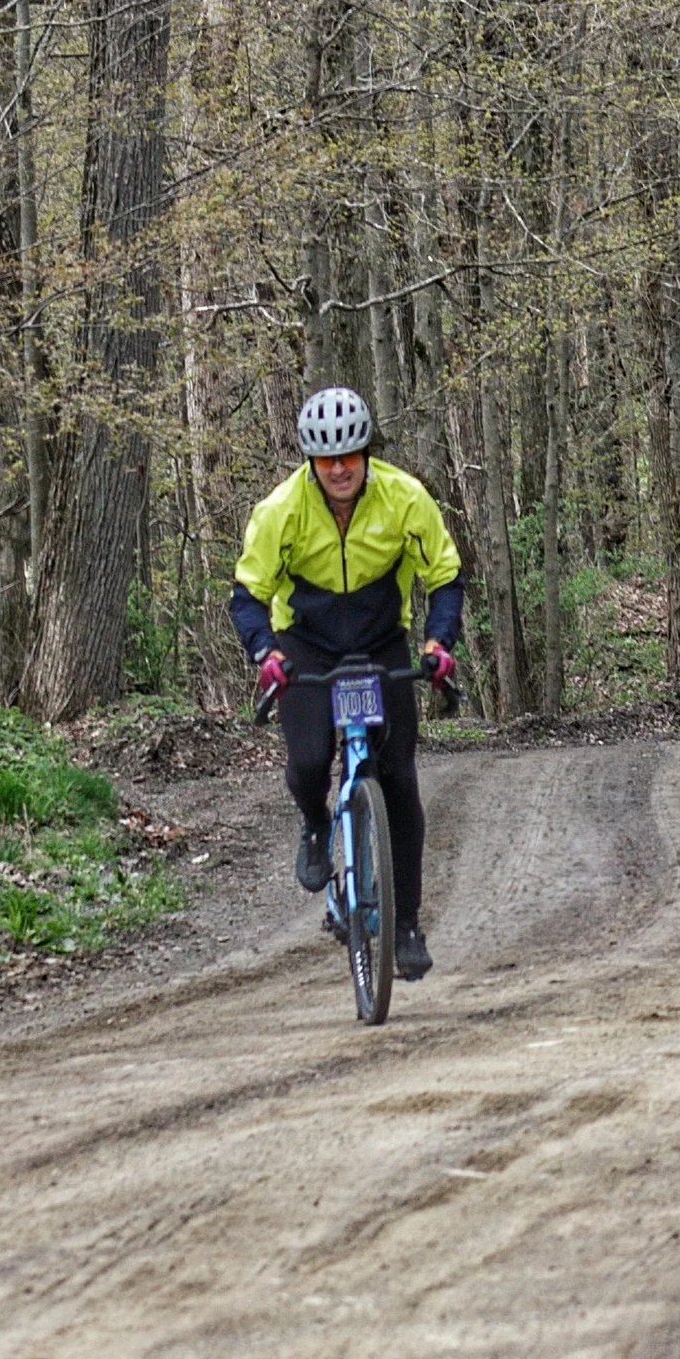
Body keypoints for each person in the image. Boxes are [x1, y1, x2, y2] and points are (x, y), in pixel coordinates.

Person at [229, 387, 463, 981]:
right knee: (309, 759)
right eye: (327, 460)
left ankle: (405, 923)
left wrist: (438, 644)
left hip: (380, 641)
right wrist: (266, 652)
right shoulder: (280, 510)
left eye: (350, 457)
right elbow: (248, 594)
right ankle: (314, 823)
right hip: (306, 643)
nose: (339, 470)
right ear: (311, 461)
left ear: (365, 454)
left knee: (401, 780)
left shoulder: (404, 497)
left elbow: (445, 576)